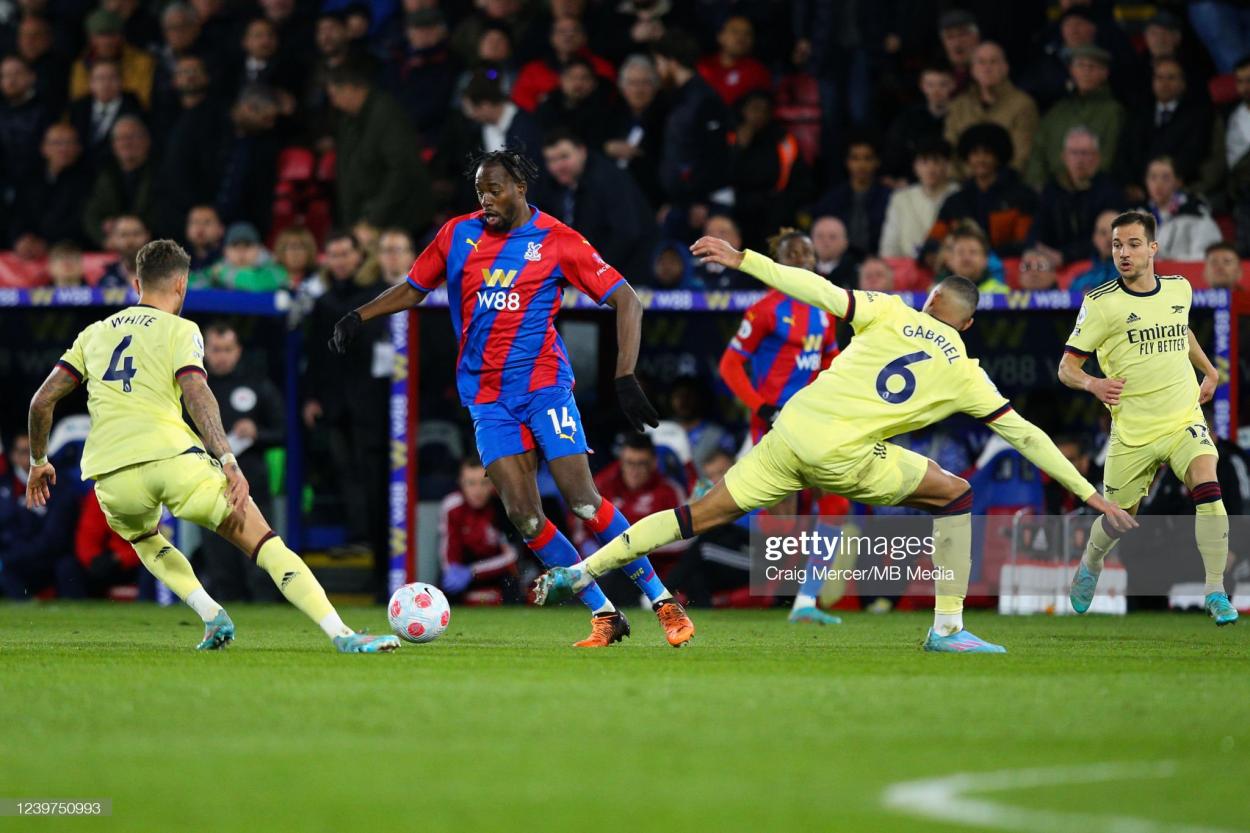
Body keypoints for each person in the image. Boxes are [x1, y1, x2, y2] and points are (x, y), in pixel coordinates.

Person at [534, 235, 1135, 653]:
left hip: (789, 431)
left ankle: (578, 571)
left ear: (928, 301)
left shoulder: (888, 310)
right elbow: (1026, 436)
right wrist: (1090, 493)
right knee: (955, 495)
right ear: (969, 324)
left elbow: (813, 287)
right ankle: (947, 627)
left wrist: (742, 258)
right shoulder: (969, 373)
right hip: (845, 456)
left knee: (697, 515)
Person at [327, 149, 696, 648]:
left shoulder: (559, 242)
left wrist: (625, 375)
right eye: (479, 191)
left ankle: (662, 601)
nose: (486, 201)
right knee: (523, 515)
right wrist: (358, 315)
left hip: (543, 387)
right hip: (486, 398)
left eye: (495, 189)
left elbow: (626, 297)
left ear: (521, 187)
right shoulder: (458, 234)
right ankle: (605, 614)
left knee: (584, 502)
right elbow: (415, 289)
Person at [24, 240, 398, 652]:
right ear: (182, 284)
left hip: (112, 478)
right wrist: (228, 460)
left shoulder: (92, 334)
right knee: (267, 545)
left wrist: (38, 461)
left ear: (136, 284)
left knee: (147, 541)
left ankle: (211, 615)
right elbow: (196, 391)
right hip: (173, 462)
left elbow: (41, 401)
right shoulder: (181, 330)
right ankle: (342, 635)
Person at [1058, 211, 1235, 626]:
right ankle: (1091, 561)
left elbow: (1181, 329)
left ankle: (1216, 591)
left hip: (1182, 421)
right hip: (1134, 433)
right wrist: (1093, 385)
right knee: (1118, 517)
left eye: (1134, 244)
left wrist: (1208, 370)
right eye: (1118, 245)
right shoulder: (1100, 304)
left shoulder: (1179, 289)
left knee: (1209, 487)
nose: (1124, 252)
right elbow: (1067, 368)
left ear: (1153, 248)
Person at [717, 228, 845, 625]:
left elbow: (831, 363)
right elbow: (729, 365)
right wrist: (762, 407)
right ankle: (769, 594)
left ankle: (805, 599)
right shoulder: (765, 309)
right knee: (781, 514)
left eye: (808, 252)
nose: (804, 258)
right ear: (778, 262)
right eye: (793, 252)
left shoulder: (825, 309)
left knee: (837, 500)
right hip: (774, 423)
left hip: (815, 422)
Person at [197, 320, 285, 602]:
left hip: (253, 483)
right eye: (216, 349)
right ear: (205, 351)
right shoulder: (193, 388)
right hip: (210, 484)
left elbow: (284, 432)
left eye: (227, 349)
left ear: (238, 351)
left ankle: (266, 619)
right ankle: (226, 618)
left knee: (259, 557)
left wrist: (258, 434)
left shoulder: (257, 385)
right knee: (220, 560)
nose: (222, 356)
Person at [326, 62, 431, 235]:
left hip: (397, 218)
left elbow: (401, 170)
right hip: (367, 216)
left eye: (335, 95)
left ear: (352, 89)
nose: (334, 102)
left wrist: (374, 219)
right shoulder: (349, 120)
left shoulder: (386, 115)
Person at [537, 129, 656, 281]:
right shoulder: (557, 187)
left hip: (631, 276)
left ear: (582, 151)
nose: (558, 166)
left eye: (564, 157)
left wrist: (594, 273)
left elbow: (626, 233)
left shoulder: (607, 179)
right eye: (551, 160)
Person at [928, 123, 1036, 258]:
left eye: (987, 153)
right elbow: (932, 243)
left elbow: (1025, 243)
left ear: (998, 156)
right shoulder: (955, 201)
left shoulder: (1023, 196)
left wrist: (982, 256)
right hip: (962, 270)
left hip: (1006, 269)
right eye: (975, 153)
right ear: (967, 157)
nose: (980, 159)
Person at [1025, 44, 1126, 190]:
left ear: (1104, 73)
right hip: (1053, 192)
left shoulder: (1114, 112)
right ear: (1071, 70)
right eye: (1080, 65)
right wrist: (1037, 186)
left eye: (1091, 67)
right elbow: (1038, 153)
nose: (1086, 71)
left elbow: (1110, 156)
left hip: (1095, 191)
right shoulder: (1057, 111)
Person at [0, 433, 80, 600]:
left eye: (33, 452)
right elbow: (6, 530)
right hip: (14, 559)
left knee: (67, 566)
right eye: (24, 452)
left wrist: (19, 554)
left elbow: (56, 535)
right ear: (14, 456)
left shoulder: (58, 484)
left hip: (50, 558)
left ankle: (74, 613)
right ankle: (23, 610)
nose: (30, 459)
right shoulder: (5, 486)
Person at [1031, 126, 1124, 266]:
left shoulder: (1110, 191)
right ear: (1064, 157)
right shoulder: (1052, 189)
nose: (1079, 159)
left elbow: (1109, 238)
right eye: (1074, 153)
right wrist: (1034, 249)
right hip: (1054, 263)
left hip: (1096, 263)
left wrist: (1065, 256)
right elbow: (1038, 227)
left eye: (1085, 153)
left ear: (1097, 158)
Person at [944, 42, 1038, 173]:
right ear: (973, 70)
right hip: (965, 185)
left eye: (993, 62)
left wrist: (995, 182)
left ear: (1005, 68)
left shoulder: (1023, 105)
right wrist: (971, 180)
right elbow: (950, 149)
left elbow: (1021, 155)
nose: (987, 68)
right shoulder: (959, 105)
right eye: (981, 62)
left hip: (1006, 185)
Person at [439, 454, 520, 604]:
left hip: (495, 572)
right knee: (444, 589)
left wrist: (473, 571)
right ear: (461, 483)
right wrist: (453, 570)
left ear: (492, 484)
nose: (478, 490)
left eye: (484, 483)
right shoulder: (452, 507)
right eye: (471, 483)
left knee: (513, 584)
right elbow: (448, 551)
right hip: (461, 572)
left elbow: (511, 556)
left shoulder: (503, 507)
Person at [8, 123, 93, 250]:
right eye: (56, 143)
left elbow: (81, 222)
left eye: (69, 143)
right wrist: (20, 238)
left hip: (68, 251)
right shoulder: (29, 178)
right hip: (27, 250)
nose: (63, 149)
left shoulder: (88, 180)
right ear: (44, 148)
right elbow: (17, 214)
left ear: (78, 148)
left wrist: (47, 243)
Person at [811, 134, 891, 257]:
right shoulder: (832, 200)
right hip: (840, 263)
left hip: (878, 261)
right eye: (855, 158)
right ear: (847, 162)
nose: (861, 165)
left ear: (877, 162)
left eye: (867, 158)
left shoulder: (889, 198)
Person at [879, 137, 958, 259]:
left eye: (936, 162)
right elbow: (889, 247)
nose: (930, 169)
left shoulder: (958, 195)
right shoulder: (901, 198)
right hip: (907, 269)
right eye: (924, 162)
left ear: (947, 165)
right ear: (915, 166)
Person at [1141, 156, 1223, 262]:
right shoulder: (1136, 216)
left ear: (1178, 182)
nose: (1159, 183)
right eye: (1153, 177)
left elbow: (1207, 257)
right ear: (1146, 181)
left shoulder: (1196, 213)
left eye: (1165, 177)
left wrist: (1170, 262)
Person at [882, 63, 955, 180]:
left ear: (952, 85)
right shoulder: (907, 119)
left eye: (943, 84)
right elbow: (895, 154)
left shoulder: (961, 117)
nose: (936, 91)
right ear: (922, 86)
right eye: (930, 85)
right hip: (911, 183)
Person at [695, 15, 770, 106]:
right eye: (735, 32)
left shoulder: (758, 72)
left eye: (747, 34)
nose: (741, 38)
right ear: (720, 36)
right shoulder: (702, 67)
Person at [197, 222, 285, 291]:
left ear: (260, 248)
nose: (241, 252)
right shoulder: (219, 267)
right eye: (235, 245)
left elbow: (255, 283)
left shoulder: (275, 268)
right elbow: (193, 282)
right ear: (225, 251)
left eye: (247, 245)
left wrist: (223, 274)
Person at [1070, 209, 1119, 293]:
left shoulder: (1138, 277)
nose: (1109, 238)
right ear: (1094, 238)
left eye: (1114, 232)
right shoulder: (1080, 282)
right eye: (1103, 233)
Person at [97, 215, 150, 288]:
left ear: (147, 236)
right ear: (113, 239)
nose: (130, 241)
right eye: (123, 235)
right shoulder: (106, 279)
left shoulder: (162, 275)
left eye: (136, 234)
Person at [810, 215, 858, 287]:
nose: (825, 241)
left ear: (845, 242)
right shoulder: (802, 270)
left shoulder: (857, 274)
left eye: (832, 237)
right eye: (820, 236)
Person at [184, 204, 224, 273]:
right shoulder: (178, 261)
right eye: (195, 222)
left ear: (221, 229)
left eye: (207, 222)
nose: (200, 228)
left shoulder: (230, 259)